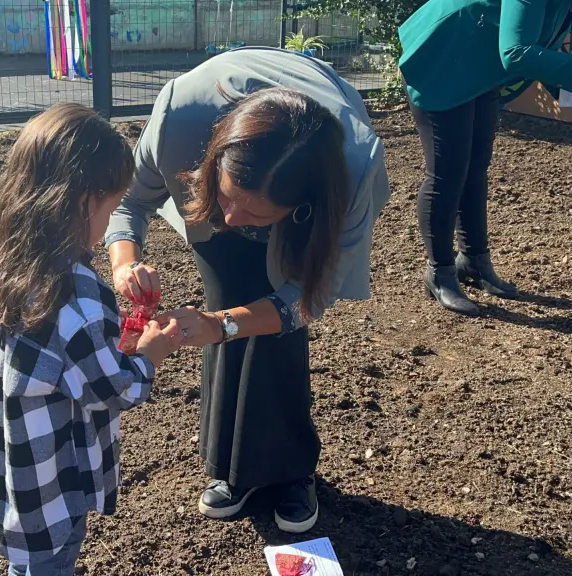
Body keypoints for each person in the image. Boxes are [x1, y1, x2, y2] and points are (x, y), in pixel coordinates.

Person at [104, 47, 390, 533]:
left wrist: (223, 325)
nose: (233, 221)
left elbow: (305, 298)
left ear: (302, 205)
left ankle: (292, 472)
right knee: (225, 298)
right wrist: (125, 262)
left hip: (312, 195)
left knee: (276, 327)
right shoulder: (180, 119)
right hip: (209, 145)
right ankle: (233, 470)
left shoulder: (354, 168)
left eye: (254, 214)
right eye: (229, 197)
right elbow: (130, 199)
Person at [0, 104, 183, 576]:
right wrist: (151, 351)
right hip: (52, 489)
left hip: (10, 471)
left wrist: (125, 330)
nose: (109, 222)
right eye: (112, 204)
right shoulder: (73, 295)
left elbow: (62, 362)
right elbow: (112, 388)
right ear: (84, 202)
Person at [398, 0, 572, 315]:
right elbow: (516, 52)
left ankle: (474, 262)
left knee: (475, 168)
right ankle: (440, 272)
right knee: (447, 173)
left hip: (477, 62)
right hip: (442, 55)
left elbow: (540, 43)